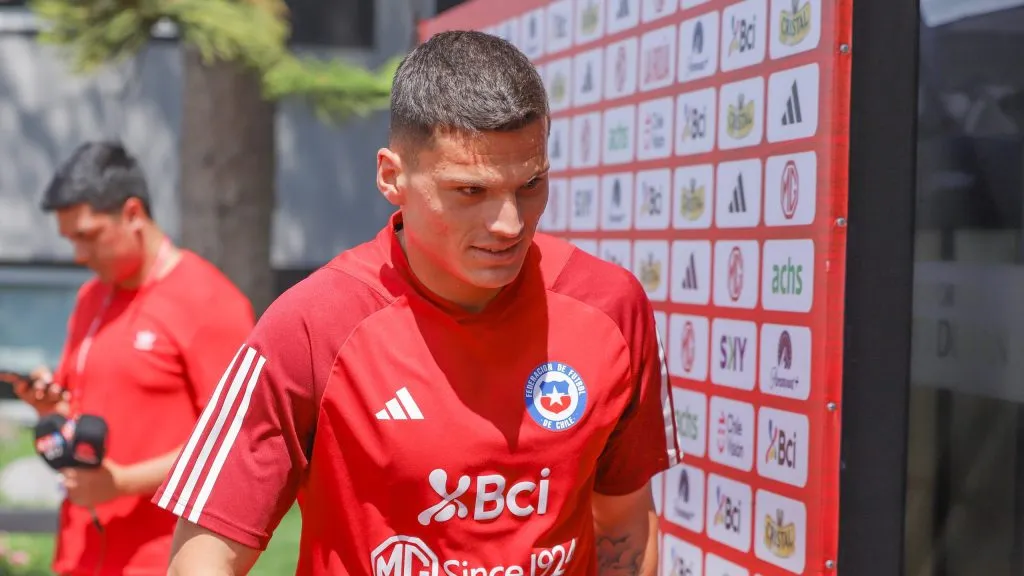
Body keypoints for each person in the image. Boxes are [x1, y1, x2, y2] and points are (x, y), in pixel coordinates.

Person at [156, 30, 681, 576]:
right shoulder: (313, 324)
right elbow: (207, 553)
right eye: (470, 192)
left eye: (529, 185)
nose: (509, 224)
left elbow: (622, 521)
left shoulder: (609, 306)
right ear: (392, 176)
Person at [9, 141, 255, 575]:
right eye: (70, 240)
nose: (79, 256)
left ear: (133, 214)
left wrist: (122, 483)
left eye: (87, 236)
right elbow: (89, 411)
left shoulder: (209, 301)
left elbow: (230, 448)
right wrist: (53, 408)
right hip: (79, 554)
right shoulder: (91, 298)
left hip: (161, 558)